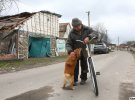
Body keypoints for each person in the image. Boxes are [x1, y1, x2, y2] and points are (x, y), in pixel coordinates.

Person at [66, 18, 94, 86]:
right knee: (75, 66)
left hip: (84, 50)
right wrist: (70, 51)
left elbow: (95, 33)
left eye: (78, 26)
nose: (77, 28)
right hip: (75, 51)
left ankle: (83, 79)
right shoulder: (71, 33)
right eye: (75, 27)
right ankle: (75, 80)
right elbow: (68, 44)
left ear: (81, 24)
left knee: (84, 65)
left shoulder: (87, 29)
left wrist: (89, 37)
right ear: (73, 26)